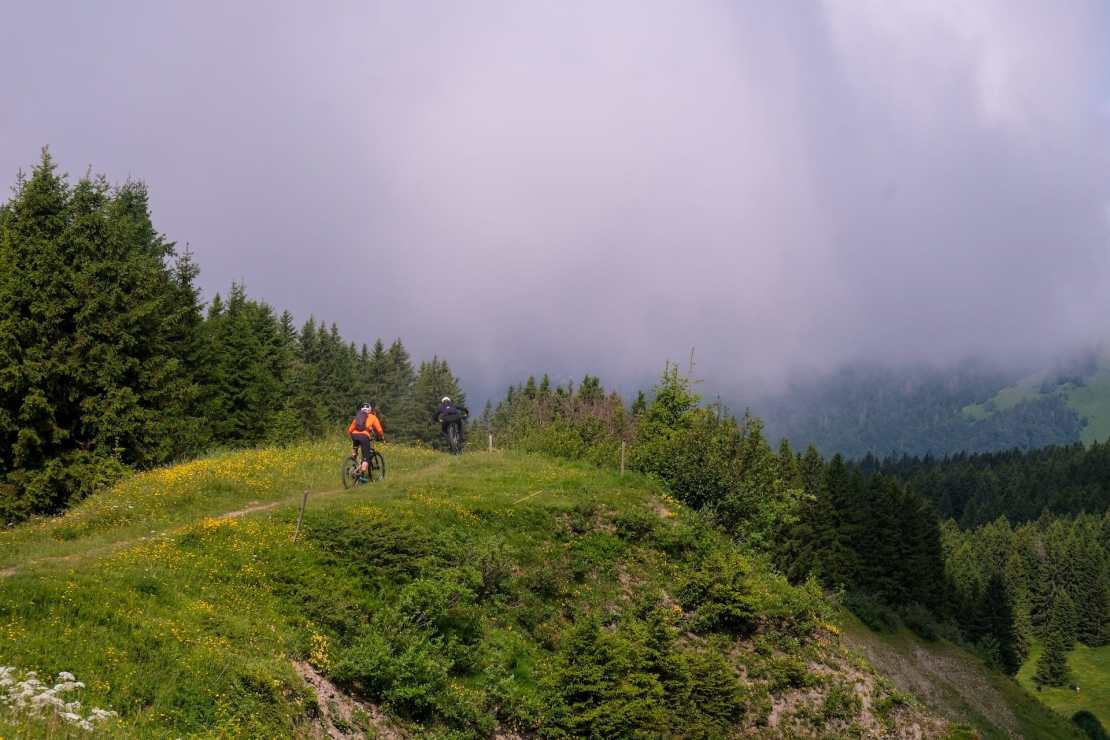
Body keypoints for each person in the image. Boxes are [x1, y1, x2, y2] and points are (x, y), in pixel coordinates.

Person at [347, 402, 384, 480]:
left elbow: (350, 430)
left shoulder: (357, 417)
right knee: (366, 458)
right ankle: (360, 474)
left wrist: (352, 436)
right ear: (370, 410)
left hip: (354, 436)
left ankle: (354, 463)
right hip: (364, 437)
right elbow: (379, 429)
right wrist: (381, 436)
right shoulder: (372, 417)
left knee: (355, 453)